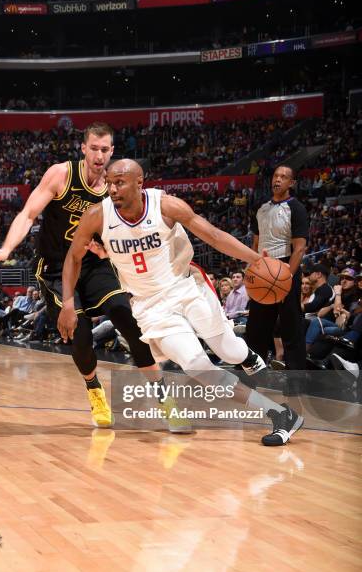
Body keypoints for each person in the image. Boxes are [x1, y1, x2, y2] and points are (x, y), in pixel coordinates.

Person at [58, 159, 304, 446]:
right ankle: (280, 414)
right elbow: (73, 258)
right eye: (109, 182)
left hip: (186, 286)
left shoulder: (166, 206)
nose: (112, 189)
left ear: (140, 183)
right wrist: (66, 302)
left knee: (229, 350)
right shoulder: (96, 216)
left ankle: (248, 358)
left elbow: (212, 235)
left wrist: (257, 260)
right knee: (196, 365)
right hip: (150, 307)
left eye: (120, 182)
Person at [0, 123, 160, 429]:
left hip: (94, 265)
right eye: (94, 148)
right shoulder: (61, 175)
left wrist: (110, 252)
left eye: (105, 150)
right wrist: (6, 248)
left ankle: (163, 394)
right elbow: (28, 214)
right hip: (55, 267)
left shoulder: (115, 186)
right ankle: (94, 390)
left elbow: (130, 228)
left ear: (112, 152)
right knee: (80, 334)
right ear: (83, 148)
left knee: (125, 317)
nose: (99, 155)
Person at [246, 165, 308, 371]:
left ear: (292, 183)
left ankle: (296, 382)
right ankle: (252, 378)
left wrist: (287, 276)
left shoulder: (296, 208)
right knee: (255, 329)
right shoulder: (261, 208)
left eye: (284, 177)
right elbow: (255, 244)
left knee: (292, 329)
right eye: (275, 176)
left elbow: (299, 248)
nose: (278, 180)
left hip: (285, 267)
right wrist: (250, 269)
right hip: (263, 268)